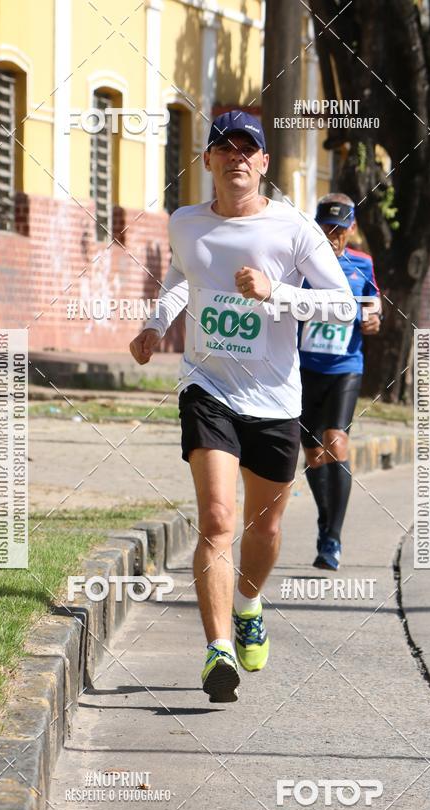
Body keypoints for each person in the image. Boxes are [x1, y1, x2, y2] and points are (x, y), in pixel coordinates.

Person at [129, 111, 355, 703]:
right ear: (206, 161)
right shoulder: (185, 222)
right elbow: (183, 273)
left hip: (277, 399)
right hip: (208, 388)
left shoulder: (294, 229)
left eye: (246, 150)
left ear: (263, 164)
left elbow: (343, 306)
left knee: (266, 526)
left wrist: (276, 292)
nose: (235, 158)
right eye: (222, 149)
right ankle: (218, 649)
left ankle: (250, 604)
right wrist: (156, 326)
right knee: (218, 521)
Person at [299, 193, 381, 570]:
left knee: (336, 440)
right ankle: (325, 519)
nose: (332, 236)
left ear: (352, 228)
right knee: (314, 453)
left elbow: (373, 307)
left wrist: (373, 320)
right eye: (325, 227)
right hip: (302, 369)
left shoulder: (361, 264)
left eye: (339, 228)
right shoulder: (300, 262)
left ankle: (333, 538)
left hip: (345, 366)